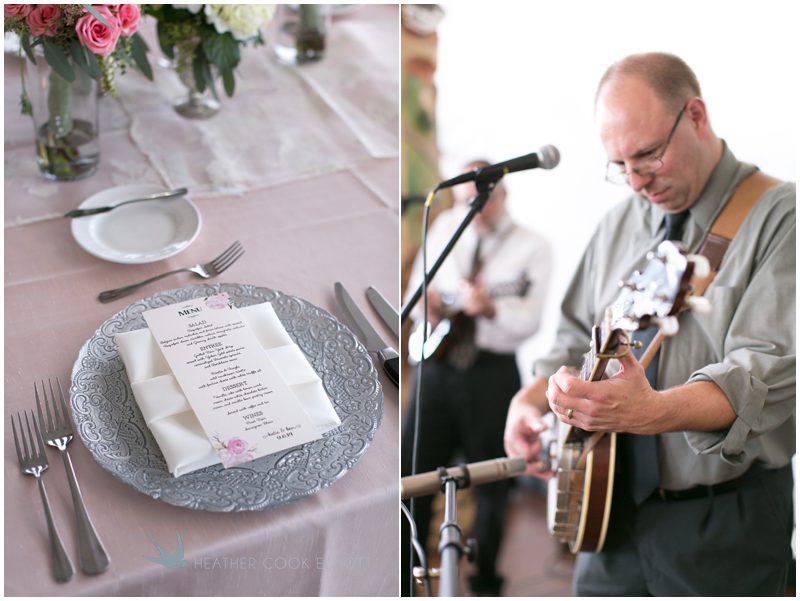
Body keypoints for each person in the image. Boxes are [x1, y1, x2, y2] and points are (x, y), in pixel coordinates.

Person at [504, 52, 795, 596]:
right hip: (608, 513)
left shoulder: (781, 217)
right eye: (620, 165)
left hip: (724, 525)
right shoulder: (620, 222)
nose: (637, 180)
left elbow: (767, 373)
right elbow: (572, 335)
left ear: (697, 116)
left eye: (649, 155)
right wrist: (532, 399)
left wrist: (653, 412)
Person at [402, 161, 552, 595]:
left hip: (492, 373)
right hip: (437, 368)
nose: (476, 209)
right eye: (469, 200)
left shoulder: (533, 247)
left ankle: (485, 580)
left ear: (503, 195)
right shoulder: (446, 226)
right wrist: (426, 308)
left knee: (492, 487)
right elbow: (417, 295)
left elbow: (529, 323)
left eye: (484, 200)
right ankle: (405, 581)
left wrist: (489, 310)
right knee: (413, 481)